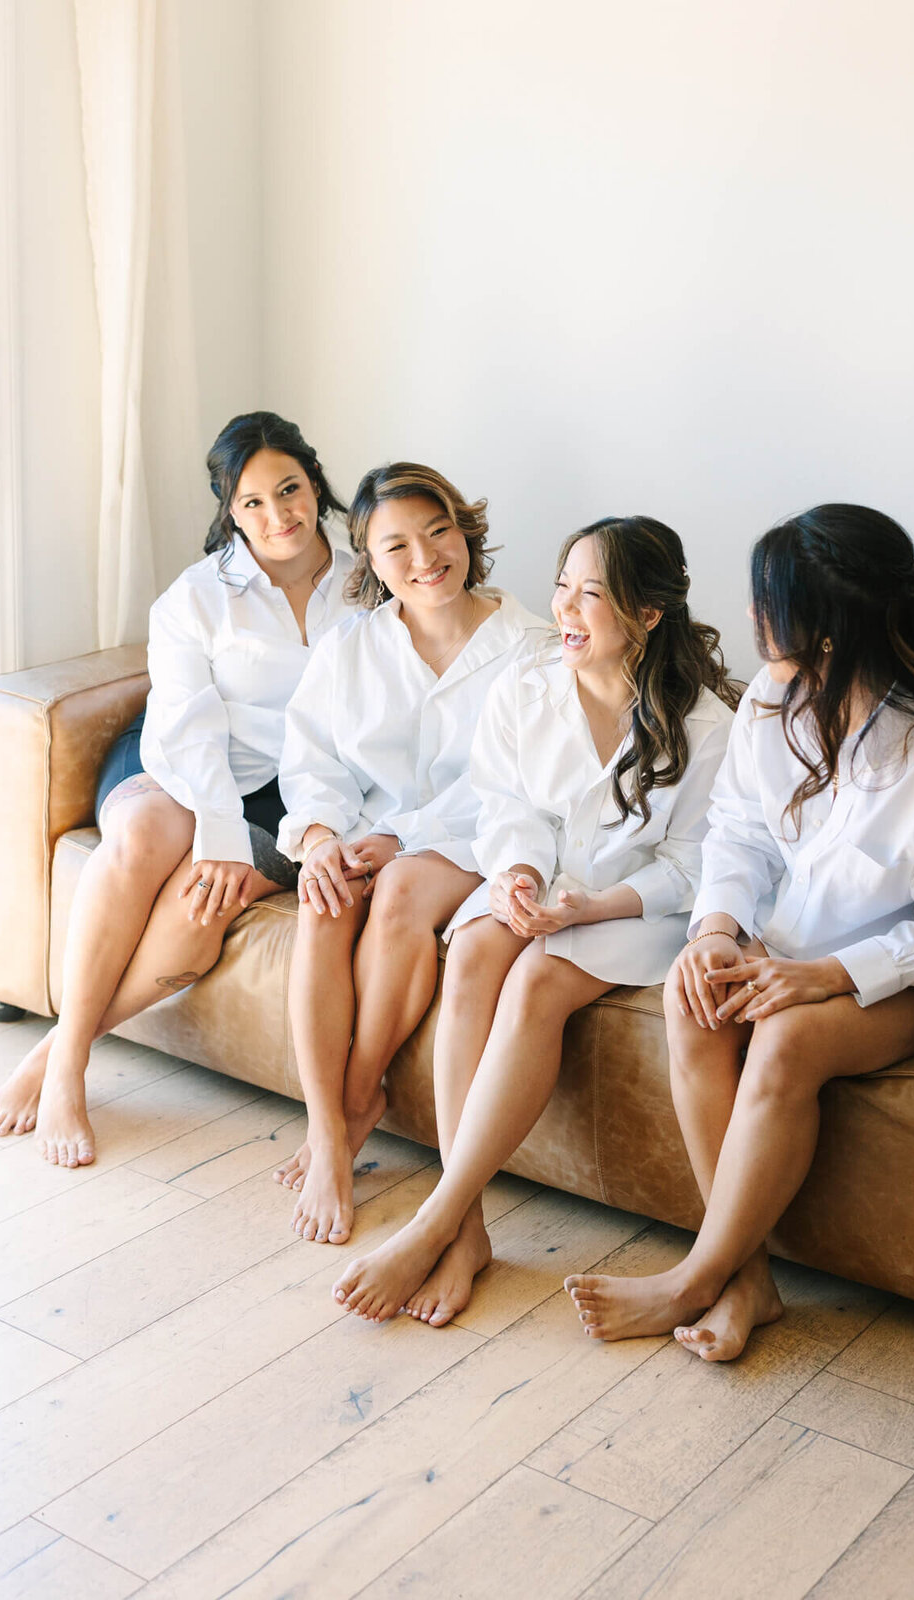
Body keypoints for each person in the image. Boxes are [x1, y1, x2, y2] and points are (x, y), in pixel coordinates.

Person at [564, 503, 914, 1359]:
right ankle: (748, 1280)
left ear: (824, 630)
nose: (751, 620)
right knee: (695, 1000)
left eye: (766, 606)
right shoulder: (771, 704)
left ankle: (693, 1277)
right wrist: (716, 928)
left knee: (784, 1041)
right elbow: (740, 834)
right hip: (790, 945)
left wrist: (828, 977)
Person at [331, 516, 737, 1324]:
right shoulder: (524, 690)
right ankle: (468, 1229)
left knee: (538, 982)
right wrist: (516, 874)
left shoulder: (706, 727)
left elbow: (694, 866)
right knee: (477, 948)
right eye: (562, 587)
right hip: (544, 882)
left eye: (592, 594)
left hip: (639, 909)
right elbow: (505, 806)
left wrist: (595, 906)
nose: (566, 610)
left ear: (649, 614)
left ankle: (435, 1216)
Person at [0, 411, 353, 1166]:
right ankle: (69, 1077)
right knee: (150, 835)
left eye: (289, 489)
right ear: (229, 510)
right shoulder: (198, 596)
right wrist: (214, 830)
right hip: (176, 757)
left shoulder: (366, 582)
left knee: (201, 904)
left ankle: (62, 1047)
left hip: (292, 788)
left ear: (314, 481)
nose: (277, 515)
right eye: (252, 502)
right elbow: (188, 728)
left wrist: (246, 845)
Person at [274, 461, 546, 1246]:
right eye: (397, 547)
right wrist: (322, 838)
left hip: (477, 838)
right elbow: (311, 761)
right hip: (363, 834)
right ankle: (328, 1130)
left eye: (439, 533)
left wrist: (399, 839)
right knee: (323, 905)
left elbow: (513, 783)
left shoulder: (529, 648)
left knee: (394, 891)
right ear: (368, 559)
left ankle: (358, 1101)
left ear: (466, 532)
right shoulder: (349, 648)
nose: (426, 559)